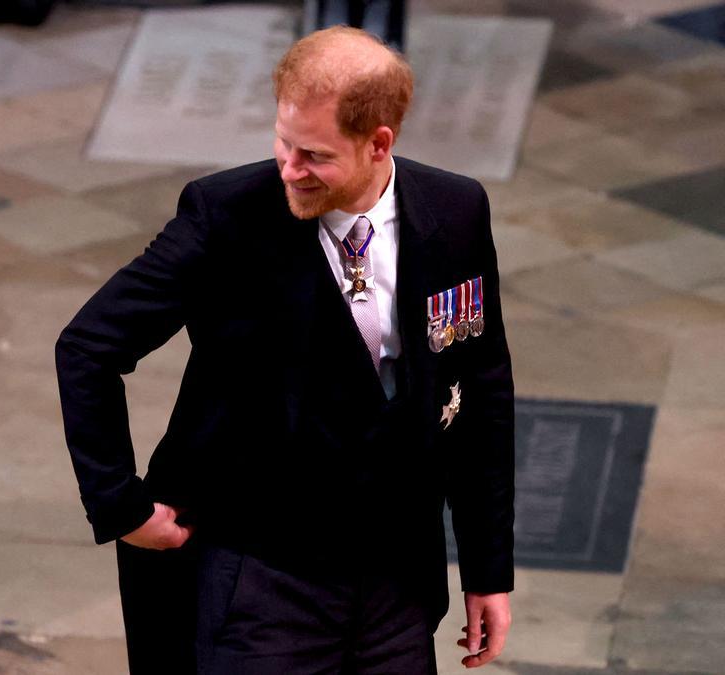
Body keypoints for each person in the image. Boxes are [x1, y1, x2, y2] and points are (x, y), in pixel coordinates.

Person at [56, 26, 514, 673]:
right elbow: (88, 346)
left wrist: (487, 569)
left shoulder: (457, 210)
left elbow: (483, 391)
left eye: (315, 156)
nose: (289, 168)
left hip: (396, 585)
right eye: (283, 142)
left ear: (379, 142)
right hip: (263, 583)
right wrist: (118, 504)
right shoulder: (225, 217)